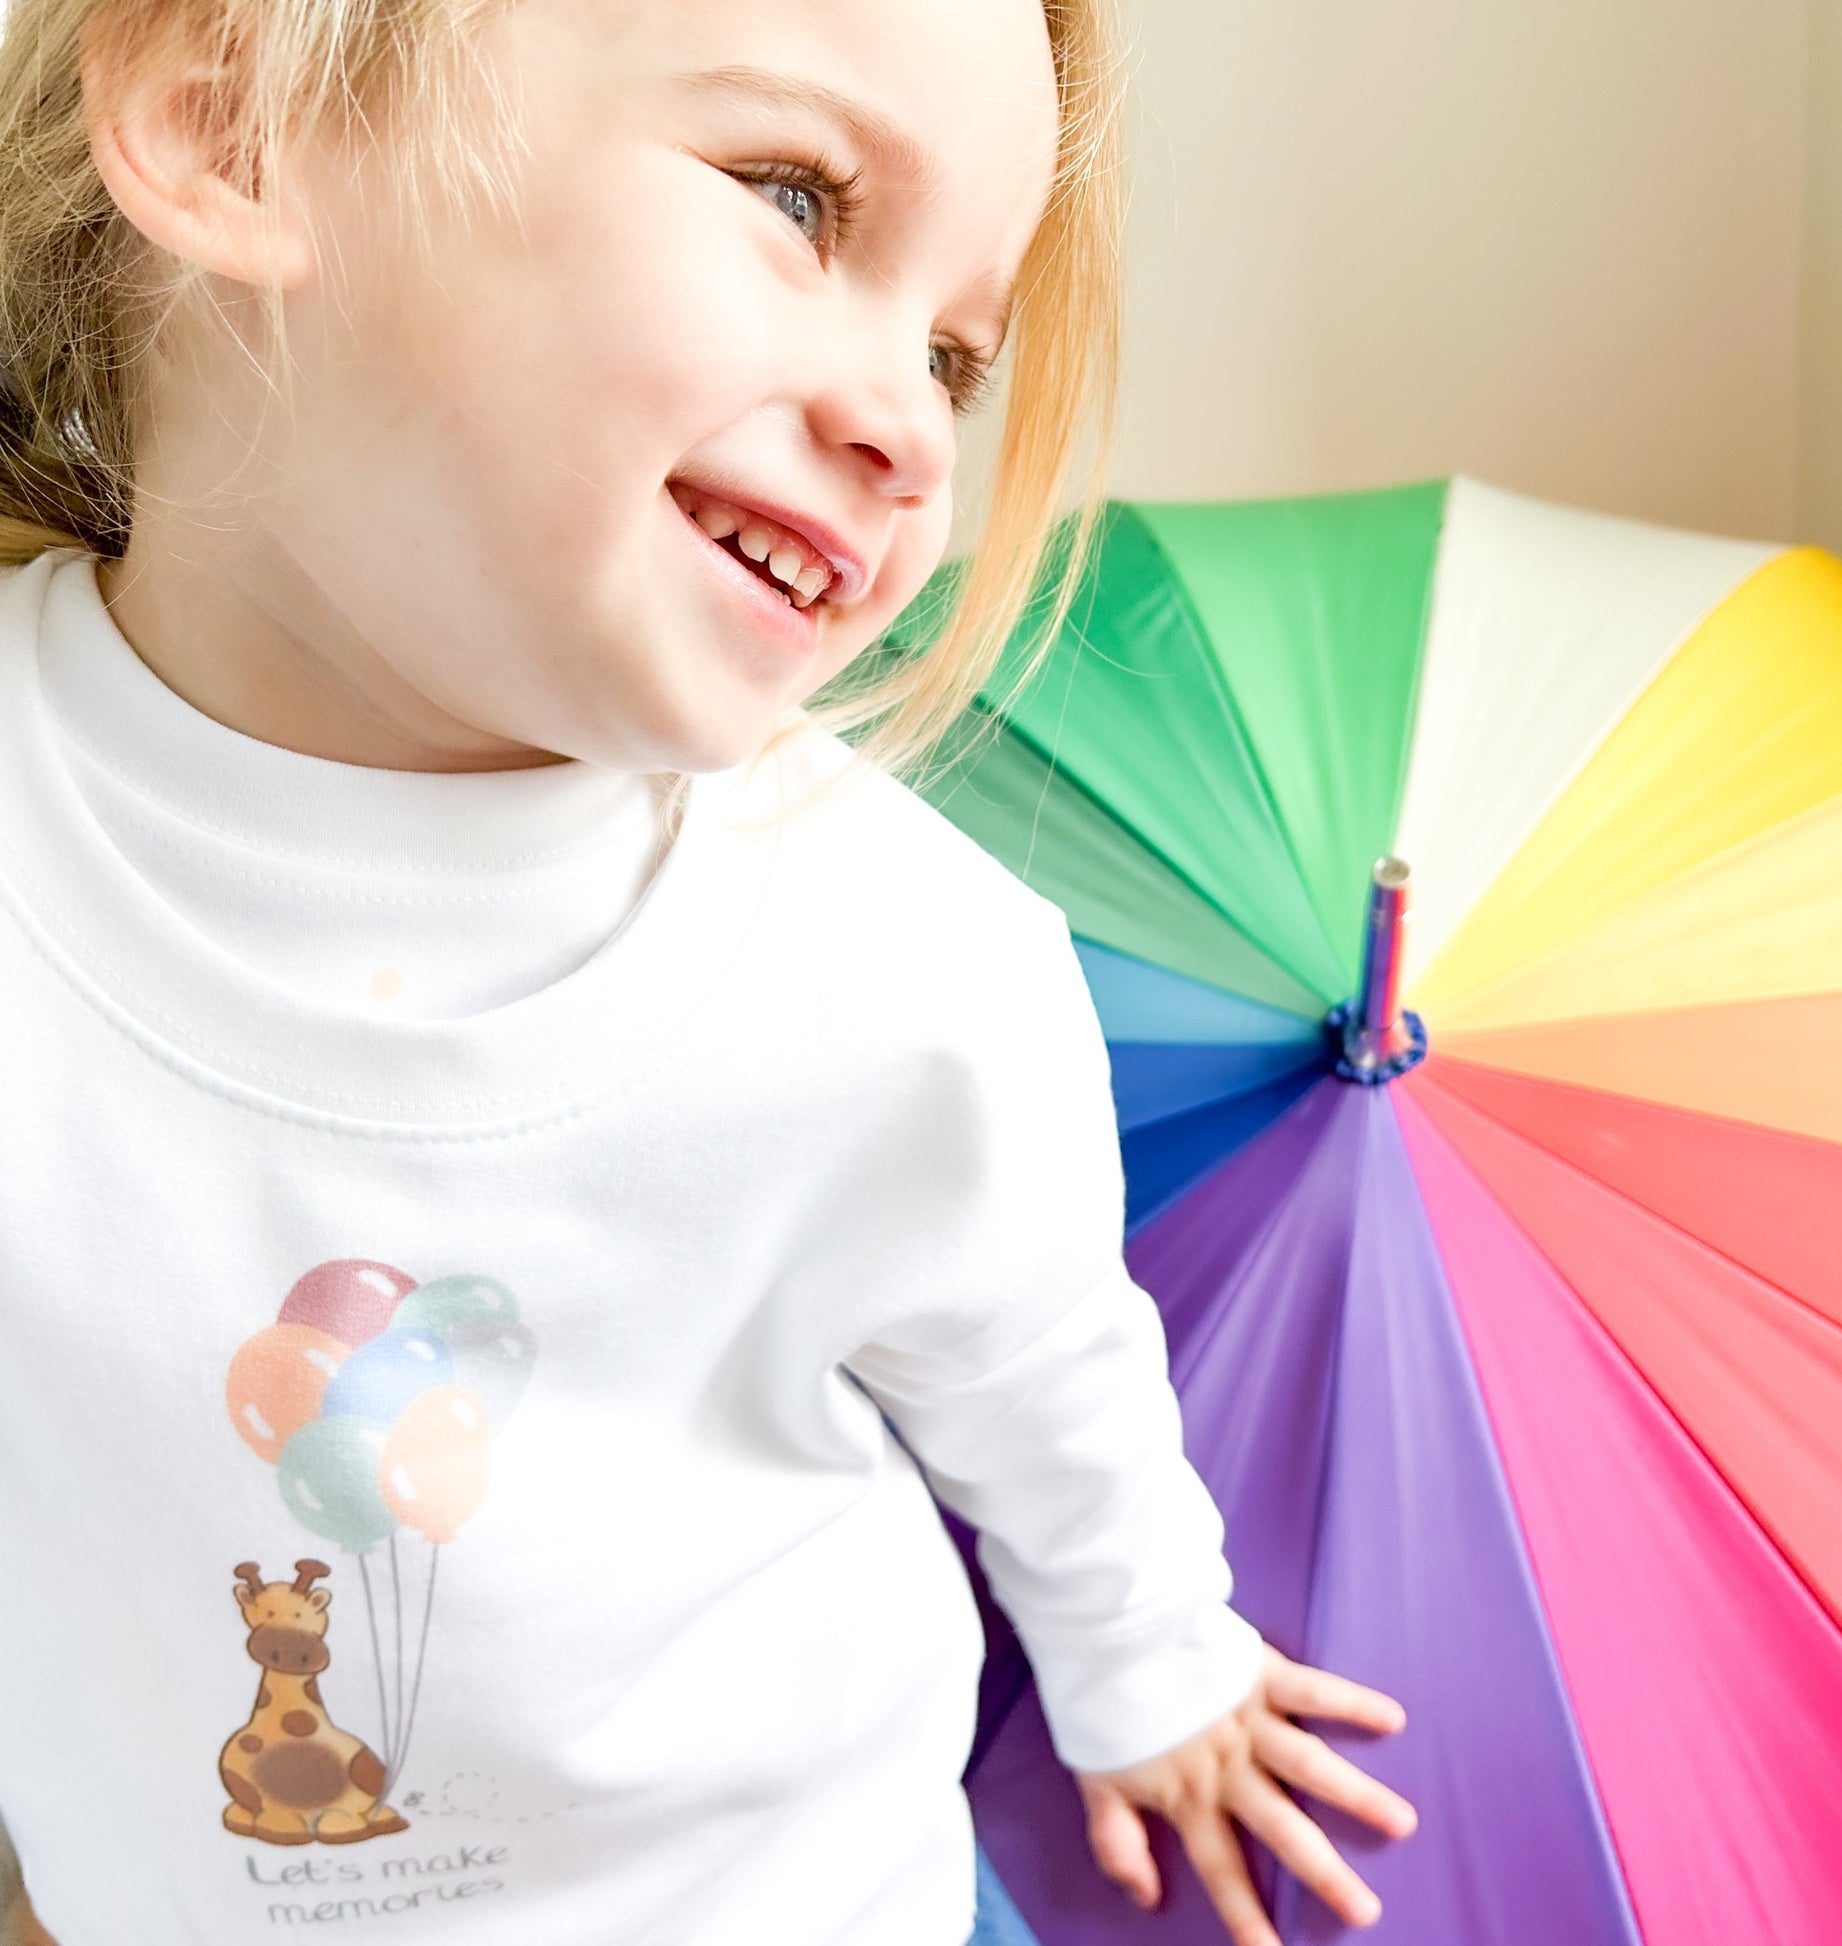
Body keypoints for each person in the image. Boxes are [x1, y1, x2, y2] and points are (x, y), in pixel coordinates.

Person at [0, 1, 1418, 1942]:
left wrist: (1150, 1658)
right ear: (233, 121)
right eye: (796, 196)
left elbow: (1032, 1362)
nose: (913, 427)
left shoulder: (894, 957)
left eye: (951, 354)